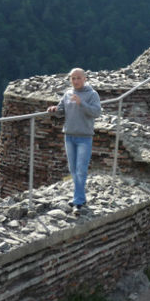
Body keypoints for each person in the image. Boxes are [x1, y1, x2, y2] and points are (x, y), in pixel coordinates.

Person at [47, 68, 102, 212]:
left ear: (85, 79)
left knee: (81, 169)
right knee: (73, 169)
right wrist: (54, 109)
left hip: (84, 137)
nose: (75, 81)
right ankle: (81, 198)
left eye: (78, 78)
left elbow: (96, 112)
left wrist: (81, 103)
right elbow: (61, 111)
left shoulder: (92, 94)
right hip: (69, 136)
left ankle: (77, 200)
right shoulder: (67, 94)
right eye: (73, 78)